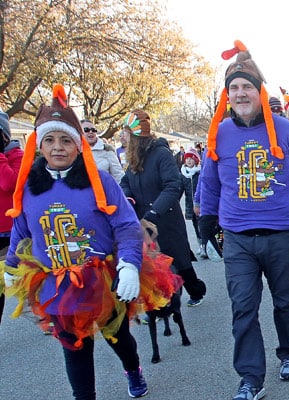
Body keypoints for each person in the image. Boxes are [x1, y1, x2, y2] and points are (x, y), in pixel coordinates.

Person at [1, 85, 174, 399]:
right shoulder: (28, 187)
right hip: (57, 284)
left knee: (118, 337)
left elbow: (125, 226)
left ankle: (133, 369)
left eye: (66, 140)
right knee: (75, 348)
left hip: (101, 279)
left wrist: (130, 266)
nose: (57, 148)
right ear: (38, 145)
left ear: (78, 144)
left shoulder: (101, 181)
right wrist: (12, 265)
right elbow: (21, 231)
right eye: (50, 140)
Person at [199, 40, 289, 400]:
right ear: (227, 95)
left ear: (259, 91)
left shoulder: (284, 129)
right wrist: (207, 223)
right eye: (233, 88)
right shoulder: (218, 132)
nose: (240, 93)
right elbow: (208, 182)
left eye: (246, 87)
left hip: (280, 232)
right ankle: (251, 378)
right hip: (237, 235)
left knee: (284, 300)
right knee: (243, 308)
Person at [119, 109, 207, 307]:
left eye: (125, 132)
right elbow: (125, 181)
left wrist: (154, 211)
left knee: (179, 262)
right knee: (154, 264)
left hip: (165, 220)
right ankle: (162, 302)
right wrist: (127, 196)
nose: (122, 137)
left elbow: (172, 185)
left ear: (135, 136)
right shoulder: (134, 158)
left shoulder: (161, 154)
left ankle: (196, 290)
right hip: (143, 221)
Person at [0, 109, 23, 325]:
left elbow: (9, 184)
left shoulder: (17, 155)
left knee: (26, 285)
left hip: (15, 232)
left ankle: (52, 317)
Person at [181, 149, 204, 256]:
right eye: (187, 159)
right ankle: (200, 245)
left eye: (191, 158)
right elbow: (179, 189)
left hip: (200, 204)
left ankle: (206, 245)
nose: (189, 161)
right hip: (190, 205)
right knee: (195, 225)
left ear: (196, 160)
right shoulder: (183, 174)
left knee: (202, 225)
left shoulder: (199, 173)